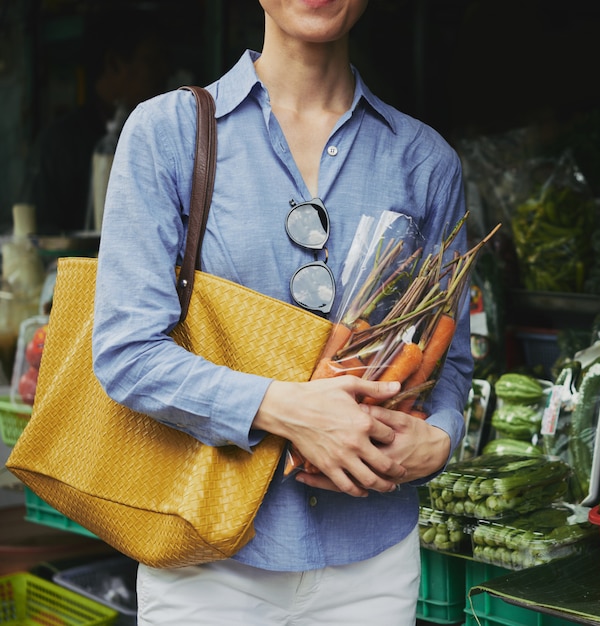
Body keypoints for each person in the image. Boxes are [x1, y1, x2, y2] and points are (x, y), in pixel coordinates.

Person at [92, 1, 473, 624]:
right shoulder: (170, 133)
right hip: (207, 553)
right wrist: (288, 410)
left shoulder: (423, 160)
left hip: (372, 562)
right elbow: (126, 353)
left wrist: (440, 437)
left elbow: (449, 363)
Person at [31, 9, 170, 235]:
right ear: (114, 64)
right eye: (152, 61)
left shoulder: (163, 136)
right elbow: (39, 230)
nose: (165, 72)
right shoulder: (60, 143)